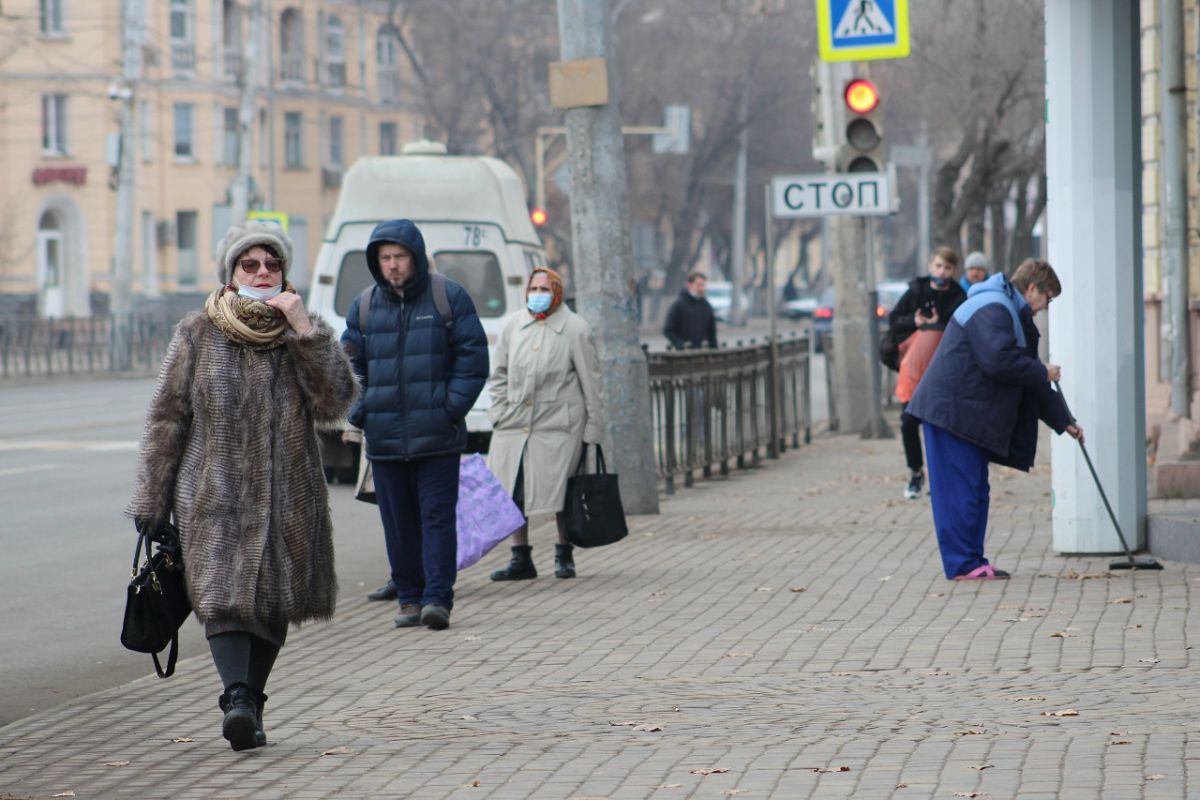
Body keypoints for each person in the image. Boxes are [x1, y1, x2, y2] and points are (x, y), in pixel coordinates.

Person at [127, 221, 358, 751]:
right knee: (223, 599)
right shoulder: (197, 332)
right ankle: (236, 697)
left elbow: (335, 404)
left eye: (271, 265)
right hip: (214, 492)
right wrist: (151, 498)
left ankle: (249, 704)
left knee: (273, 600)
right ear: (229, 276)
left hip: (287, 493)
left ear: (284, 274)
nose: (261, 273)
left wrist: (305, 329)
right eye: (248, 264)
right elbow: (167, 417)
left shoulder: (300, 332)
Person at [341, 219, 488, 631]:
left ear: (416, 257)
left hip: (437, 437)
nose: (392, 265)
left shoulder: (448, 297)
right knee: (398, 525)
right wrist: (361, 409)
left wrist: (449, 408)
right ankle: (408, 598)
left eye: (399, 256)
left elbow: (472, 360)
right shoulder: (365, 306)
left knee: (437, 518)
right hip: (386, 438)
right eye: (385, 258)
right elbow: (347, 368)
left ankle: (437, 598)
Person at [907, 258, 1084, 581]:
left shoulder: (1009, 311)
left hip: (964, 414)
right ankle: (963, 563)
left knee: (974, 489)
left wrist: (1063, 420)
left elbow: (1025, 373)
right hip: (951, 413)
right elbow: (999, 361)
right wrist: (1042, 370)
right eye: (1048, 298)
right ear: (1032, 289)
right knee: (960, 491)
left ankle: (972, 561)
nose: (1046, 307)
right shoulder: (993, 307)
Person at [486, 267, 604, 581]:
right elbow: (497, 374)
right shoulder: (513, 325)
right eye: (533, 289)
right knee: (515, 489)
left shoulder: (575, 328)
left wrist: (594, 427)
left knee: (559, 490)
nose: (538, 295)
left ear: (557, 291)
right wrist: (498, 411)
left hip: (558, 426)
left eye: (545, 289)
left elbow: (591, 381)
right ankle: (520, 557)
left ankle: (563, 554)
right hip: (514, 423)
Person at [887, 246, 967, 500]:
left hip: (943, 374)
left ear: (954, 271)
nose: (942, 271)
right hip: (913, 370)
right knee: (909, 423)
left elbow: (963, 328)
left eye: (947, 267)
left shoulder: (958, 296)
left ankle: (941, 478)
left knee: (941, 427)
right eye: (938, 266)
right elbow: (894, 321)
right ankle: (915, 473)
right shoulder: (916, 292)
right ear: (930, 266)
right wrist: (915, 322)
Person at [663, 271, 717, 350]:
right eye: (699, 285)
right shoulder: (679, 305)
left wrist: (714, 348)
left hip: (703, 353)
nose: (702, 288)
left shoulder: (706, 306)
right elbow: (668, 330)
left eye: (703, 285)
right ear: (689, 285)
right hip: (683, 356)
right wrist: (681, 344)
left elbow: (711, 332)